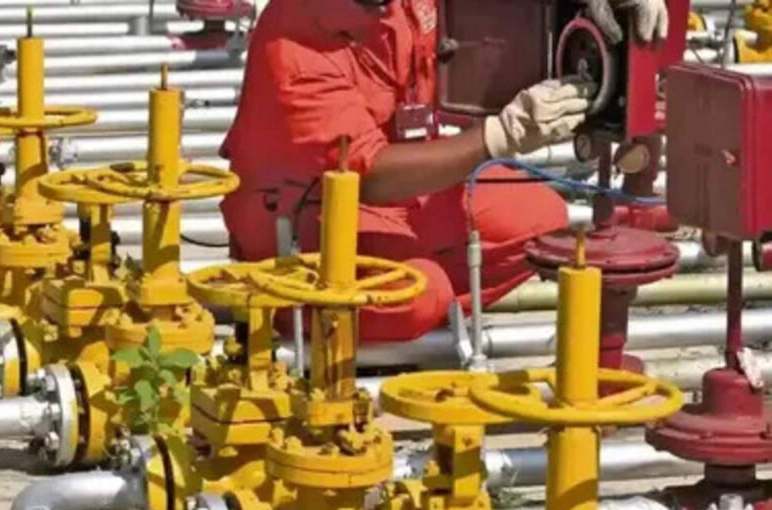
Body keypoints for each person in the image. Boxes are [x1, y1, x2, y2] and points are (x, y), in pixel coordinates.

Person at [219, 0, 669, 342]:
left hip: (402, 188)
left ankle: (405, 304)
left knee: (542, 222)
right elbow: (367, 174)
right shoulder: (295, 42)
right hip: (304, 219)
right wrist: (497, 137)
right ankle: (303, 315)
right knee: (419, 294)